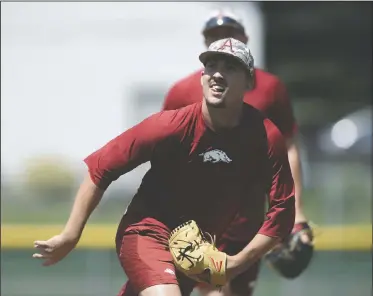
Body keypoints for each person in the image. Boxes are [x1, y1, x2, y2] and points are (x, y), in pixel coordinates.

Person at [33, 38, 295, 296]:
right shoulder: (170, 126)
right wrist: (71, 234)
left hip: (192, 249)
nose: (217, 74)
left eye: (230, 68)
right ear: (202, 77)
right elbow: (100, 168)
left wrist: (238, 263)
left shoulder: (264, 136)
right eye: (211, 66)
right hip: (146, 232)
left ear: (249, 81)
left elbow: (283, 209)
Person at [162, 10, 312, 296]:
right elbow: (164, 156)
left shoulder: (269, 88)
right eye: (214, 36)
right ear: (205, 42)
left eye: (229, 34)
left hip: (249, 215)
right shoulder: (182, 91)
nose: (222, 40)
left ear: (245, 38)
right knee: (212, 290)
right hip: (198, 213)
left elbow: (288, 148)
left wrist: (296, 211)